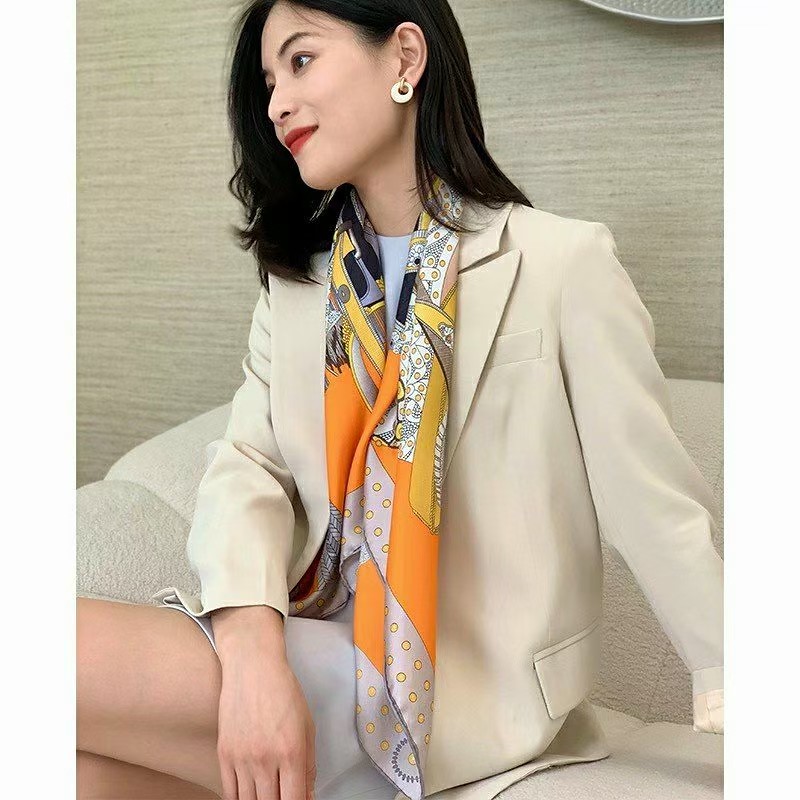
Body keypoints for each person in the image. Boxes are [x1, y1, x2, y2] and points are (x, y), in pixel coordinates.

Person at [76, 2, 724, 800]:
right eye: (269, 81)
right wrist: (252, 660)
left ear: (405, 58)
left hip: (466, 697)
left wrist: (736, 680)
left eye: (301, 61)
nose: (277, 102)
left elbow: (651, 501)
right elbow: (248, 468)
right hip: (314, 644)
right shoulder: (298, 289)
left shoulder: (560, 263)